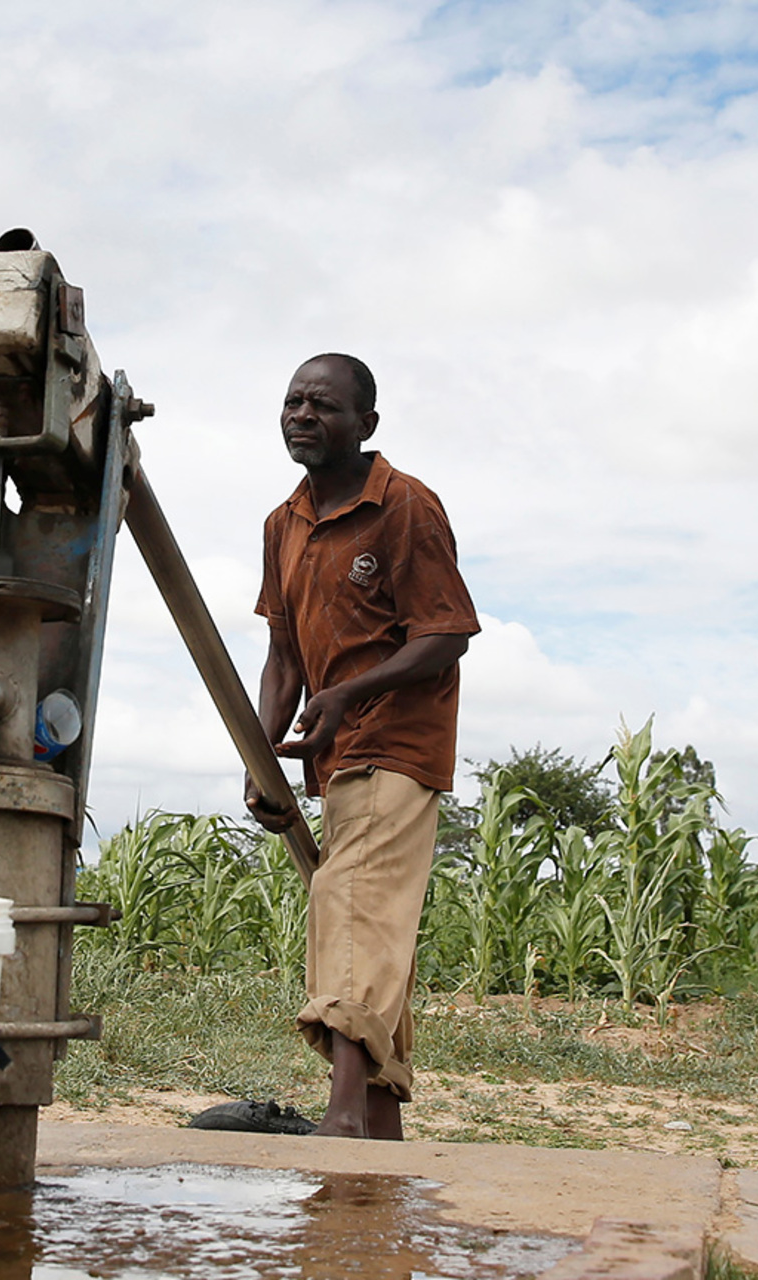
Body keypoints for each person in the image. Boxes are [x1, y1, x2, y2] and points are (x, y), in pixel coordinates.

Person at [245, 353, 479, 1141]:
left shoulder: (405, 506)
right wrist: (259, 755)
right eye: (293, 402)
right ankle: (379, 1124)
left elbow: (445, 637)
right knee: (373, 926)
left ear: (366, 425)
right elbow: (284, 654)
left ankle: (343, 1118)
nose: (303, 415)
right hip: (334, 757)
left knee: (346, 902)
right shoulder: (284, 524)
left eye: (324, 405)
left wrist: (344, 695)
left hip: (398, 744)